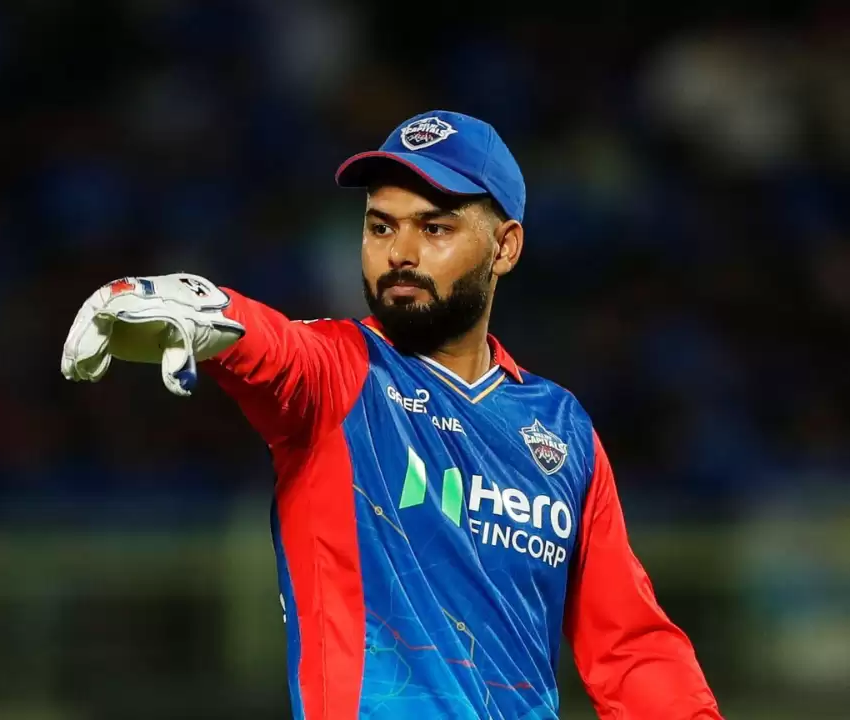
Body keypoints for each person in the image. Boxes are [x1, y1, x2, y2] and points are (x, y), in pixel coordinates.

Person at [60, 110, 723, 720]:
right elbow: (273, 347)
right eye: (381, 226)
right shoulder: (342, 374)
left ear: (505, 247)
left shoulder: (560, 427)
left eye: (434, 228)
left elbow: (631, 648)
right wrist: (210, 310)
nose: (399, 252)